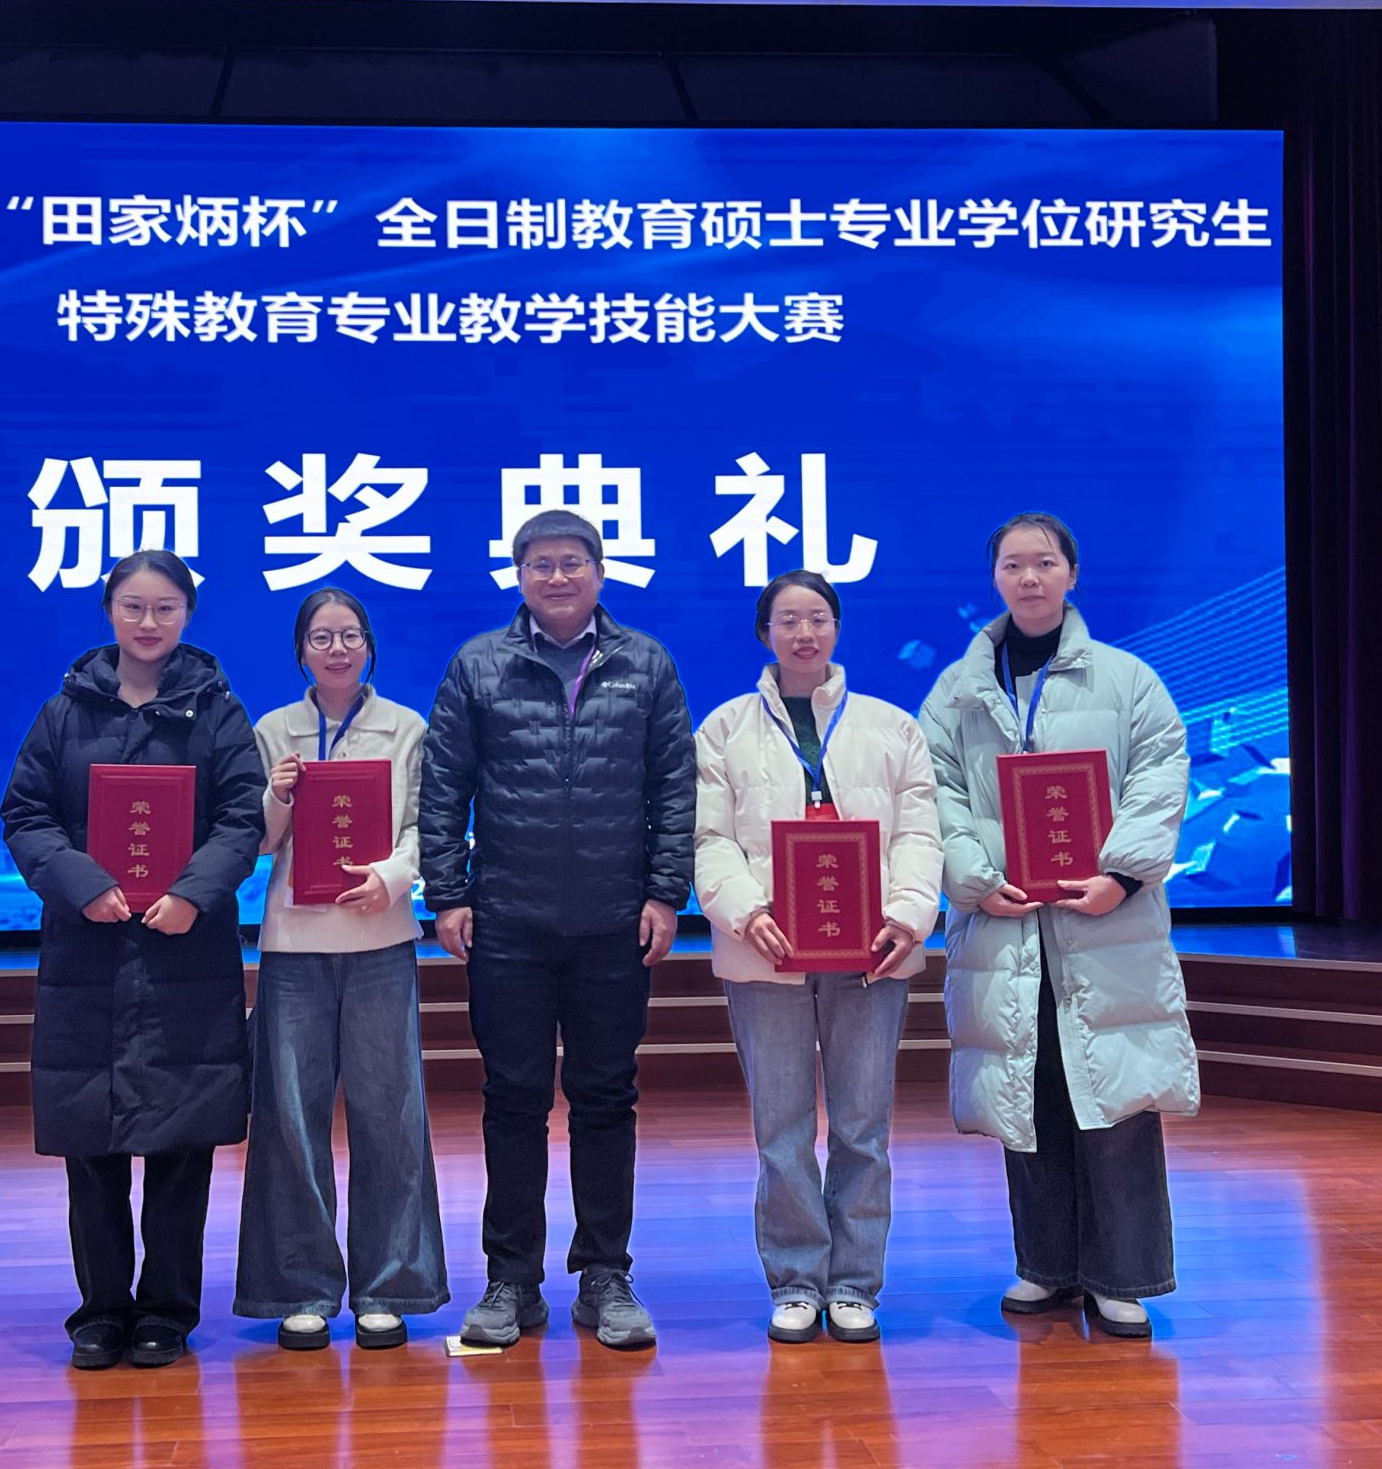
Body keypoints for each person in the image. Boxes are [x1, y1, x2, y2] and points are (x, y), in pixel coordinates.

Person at [419, 508, 695, 1352]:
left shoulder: (646, 663)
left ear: (599, 572)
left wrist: (664, 895)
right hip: (509, 923)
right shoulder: (479, 663)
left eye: (573, 562)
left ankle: (605, 1273)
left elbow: (674, 787)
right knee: (513, 1101)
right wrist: (449, 895)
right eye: (541, 564)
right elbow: (443, 786)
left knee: (607, 1099)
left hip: (615, 923)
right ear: (520, 577)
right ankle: (511, 1279)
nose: (558, 576)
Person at [917, 513, 1197, 1341]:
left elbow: (1161, 774)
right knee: (1029, 1089)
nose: (1029, 577)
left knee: (1113, 1093)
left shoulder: (1126, 680)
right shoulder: (957, 691)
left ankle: (1124, 1276)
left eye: (1044, 562)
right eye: (1013, 564)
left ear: (1072, 573)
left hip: (1106, 920)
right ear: (994, 578)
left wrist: (1120, 875)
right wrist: (974, 879)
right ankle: (1046, 1264)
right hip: (1005, 922)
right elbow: (934, 791)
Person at [0, 548, 265, 1370]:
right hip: (89, 948)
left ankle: (167, 1312)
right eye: (134, 607)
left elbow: (243, 818)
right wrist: (81, 885)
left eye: (165, 609)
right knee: (93, 1145)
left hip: (186, 949)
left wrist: (192, 893)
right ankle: (101, 1311)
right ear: (109, 612)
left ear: (187, 615)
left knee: (183, 1145)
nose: (149, 623)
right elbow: (26, 815)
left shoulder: (218, 712)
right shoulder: (64, 713)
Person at [693, 570, 942, 1345]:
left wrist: (907, 916)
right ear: (764, 633)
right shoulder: (723, 730)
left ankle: (856, 1283)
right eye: (788, 620)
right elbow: (708, 838)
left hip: (871, 951)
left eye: (818, 619)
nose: (804, 633)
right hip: (765, 949)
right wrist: (747, 911)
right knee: (782, 1129)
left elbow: (919, 833)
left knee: (864, 1127)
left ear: (837, 628)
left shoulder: (891, 726)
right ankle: (797, 1278)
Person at [233, 587, 448, 1351]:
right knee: (290, 1119)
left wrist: (392, 878)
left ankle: (391, 1285)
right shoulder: (273, 731)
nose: (337, 649)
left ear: (369, 646)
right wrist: (276, 796)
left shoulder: (407, 728)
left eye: (350, 635)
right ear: (300, 652)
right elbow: (255, 841)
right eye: (321, 638)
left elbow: (429, 827)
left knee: (391, 1115)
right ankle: (300, 1287)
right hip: (293, 946)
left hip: (381, 940)